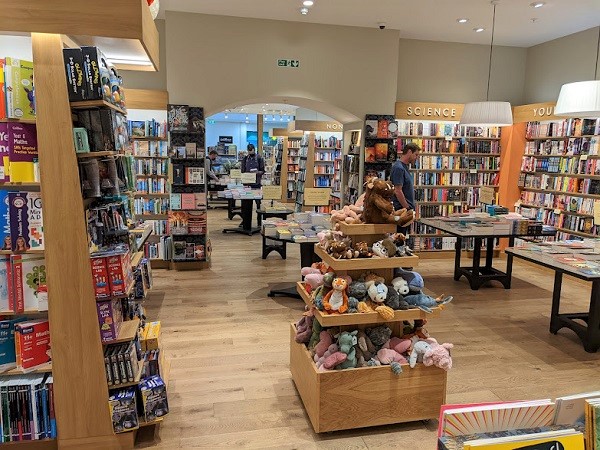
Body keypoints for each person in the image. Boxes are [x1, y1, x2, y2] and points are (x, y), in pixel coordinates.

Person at [390, 142, 420, 236]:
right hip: (401, 210)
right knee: (399, 237)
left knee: (402, 237)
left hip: (404, 210)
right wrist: (406, 208)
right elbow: (398, 191)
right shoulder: (399, 168)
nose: (417, 158)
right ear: (409, 152)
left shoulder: (403, 167)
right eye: (416, 155)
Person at [241, 143, 264, 223]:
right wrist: (245, 176)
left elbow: (263, 171)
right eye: (249, 151)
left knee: (258, 203)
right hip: (247, 184)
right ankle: (245, 221)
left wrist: (257, 172)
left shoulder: (259, 158)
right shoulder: (245, 159)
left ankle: (259, 221)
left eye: (251, 150)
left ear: (254, 149)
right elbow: (242, 170)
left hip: (256, 184)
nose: (250, 152)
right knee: (246, 204)